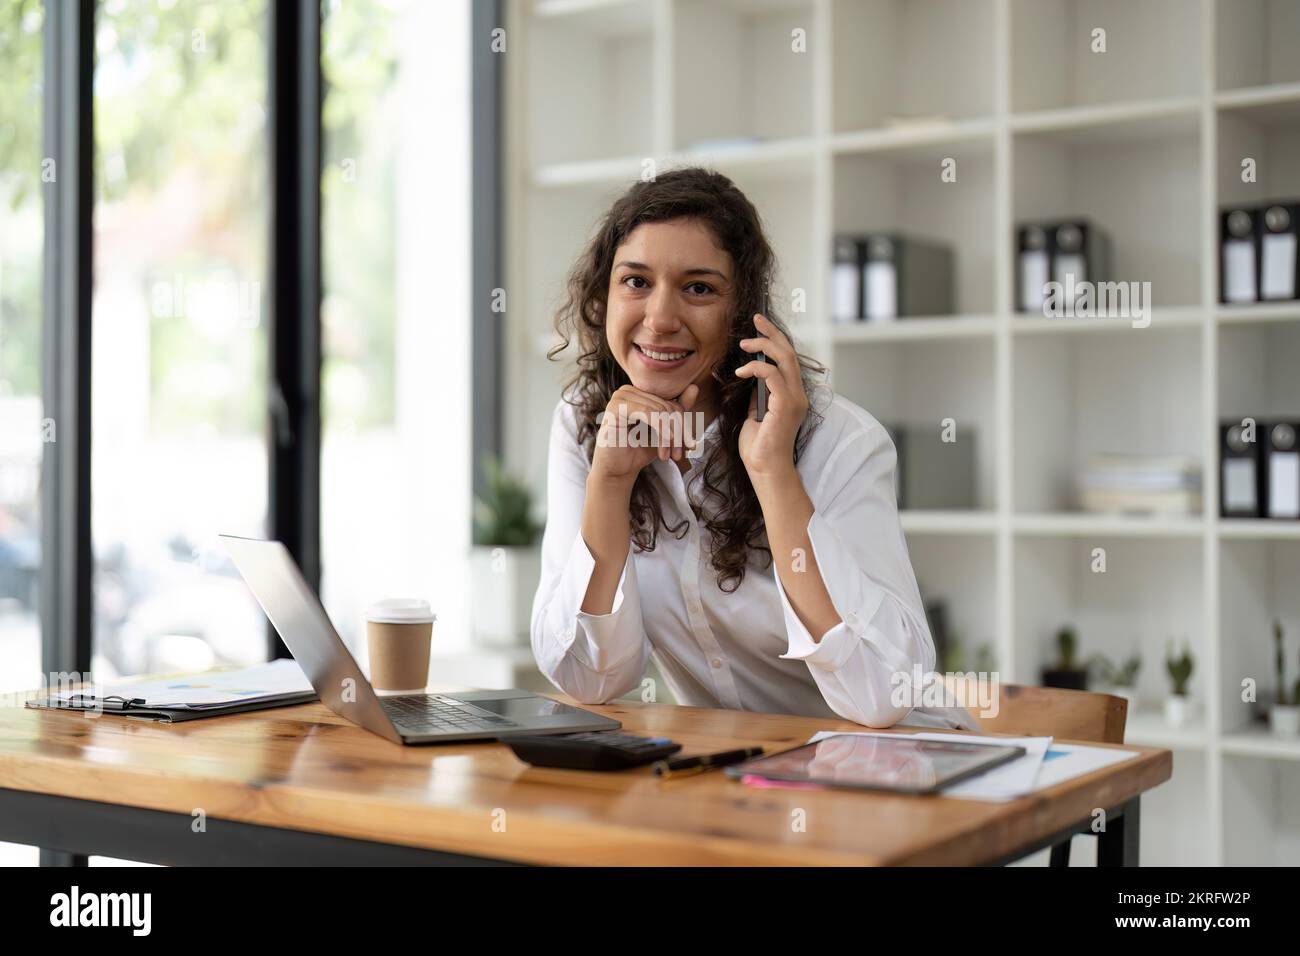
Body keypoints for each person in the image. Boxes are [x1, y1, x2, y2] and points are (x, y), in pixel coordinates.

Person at [530, 167, 975, 731]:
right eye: (636, 281)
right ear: (604, 294)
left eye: (698, 288)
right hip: (737, 783)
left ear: (742, 312)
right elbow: (589, 680)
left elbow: (883, 696)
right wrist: (610, 483)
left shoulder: (841, 442)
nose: (660, 319)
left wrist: (773, 472)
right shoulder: (583, 424)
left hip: (898, 770)